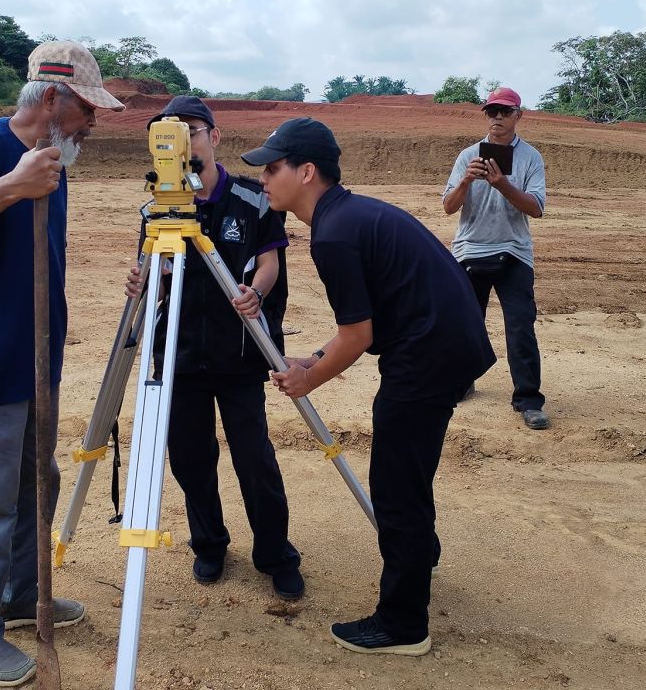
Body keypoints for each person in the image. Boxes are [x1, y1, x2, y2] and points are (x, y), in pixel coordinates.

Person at [242, 118, 495, 656]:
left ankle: (404, 625)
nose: (264, 179)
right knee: (408, 468)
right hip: (443, 344)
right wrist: (311, 358)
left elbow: (357, 335)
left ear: (306, 172)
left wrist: (308, 375)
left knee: (397, 484)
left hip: (429, 353)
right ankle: (418, 554)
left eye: (273, 168)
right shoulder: (351, 216)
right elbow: (365, 326)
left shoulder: (334, 234)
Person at [0, 40, 125, 687]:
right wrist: (11, 186)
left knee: (39, 482)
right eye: (88, 110)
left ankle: (17, 595)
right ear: (54, 99)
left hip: (34, 361)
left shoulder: (55, 161)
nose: (93, 123)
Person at [125, 96, 304, 600]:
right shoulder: (155, 207)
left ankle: (275, 553)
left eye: (192, 130)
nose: (183, 140)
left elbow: (269, 261)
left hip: (239, 352)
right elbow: (161, 279)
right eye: (170, 131)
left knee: (254, 458)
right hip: (178, 353)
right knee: (189, 457)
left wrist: (257, 293)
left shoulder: (253, 198)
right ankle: (209, 544)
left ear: (214, 137)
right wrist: (144, 280)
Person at [442, 87, 549, 430]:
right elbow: (448, 207)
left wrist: (501, 183)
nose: (498, 118)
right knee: (464, 326)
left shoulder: (530, 157)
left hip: (514, 251)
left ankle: (528, 400)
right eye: (492, 112)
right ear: (485, 115)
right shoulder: (467, 156)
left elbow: (536, 208)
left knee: (520, 327)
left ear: (519, 115)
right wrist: (466, 181)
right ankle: (461, 382)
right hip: (470, 249)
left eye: (505, 112)